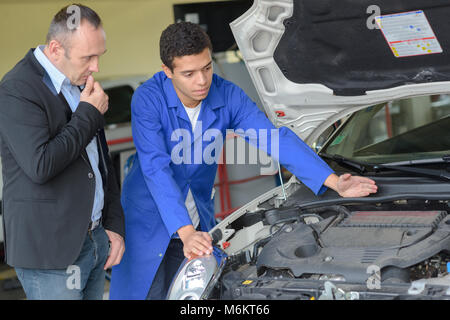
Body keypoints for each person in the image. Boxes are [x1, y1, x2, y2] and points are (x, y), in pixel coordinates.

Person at [109, 22, 377, 300]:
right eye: (189, 74)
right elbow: (155, 168)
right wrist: (185, 232)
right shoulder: (148, 99)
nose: (202, 81)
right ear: (167, 72)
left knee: (192, 297)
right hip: (148, 218)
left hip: (195, 217)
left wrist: (335, 182)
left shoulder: (227, 94)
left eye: (207, 68)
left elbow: (273, 139)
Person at [0, 4, 125, 300]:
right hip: (51, 252)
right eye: (88, 57)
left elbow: (100, 163)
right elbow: (41, 164)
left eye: (99, 56)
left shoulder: (77, 80)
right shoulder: (16, 89)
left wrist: (114, 226)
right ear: (56, 49)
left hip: (96, 239)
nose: (96, 67)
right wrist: (88, 114)